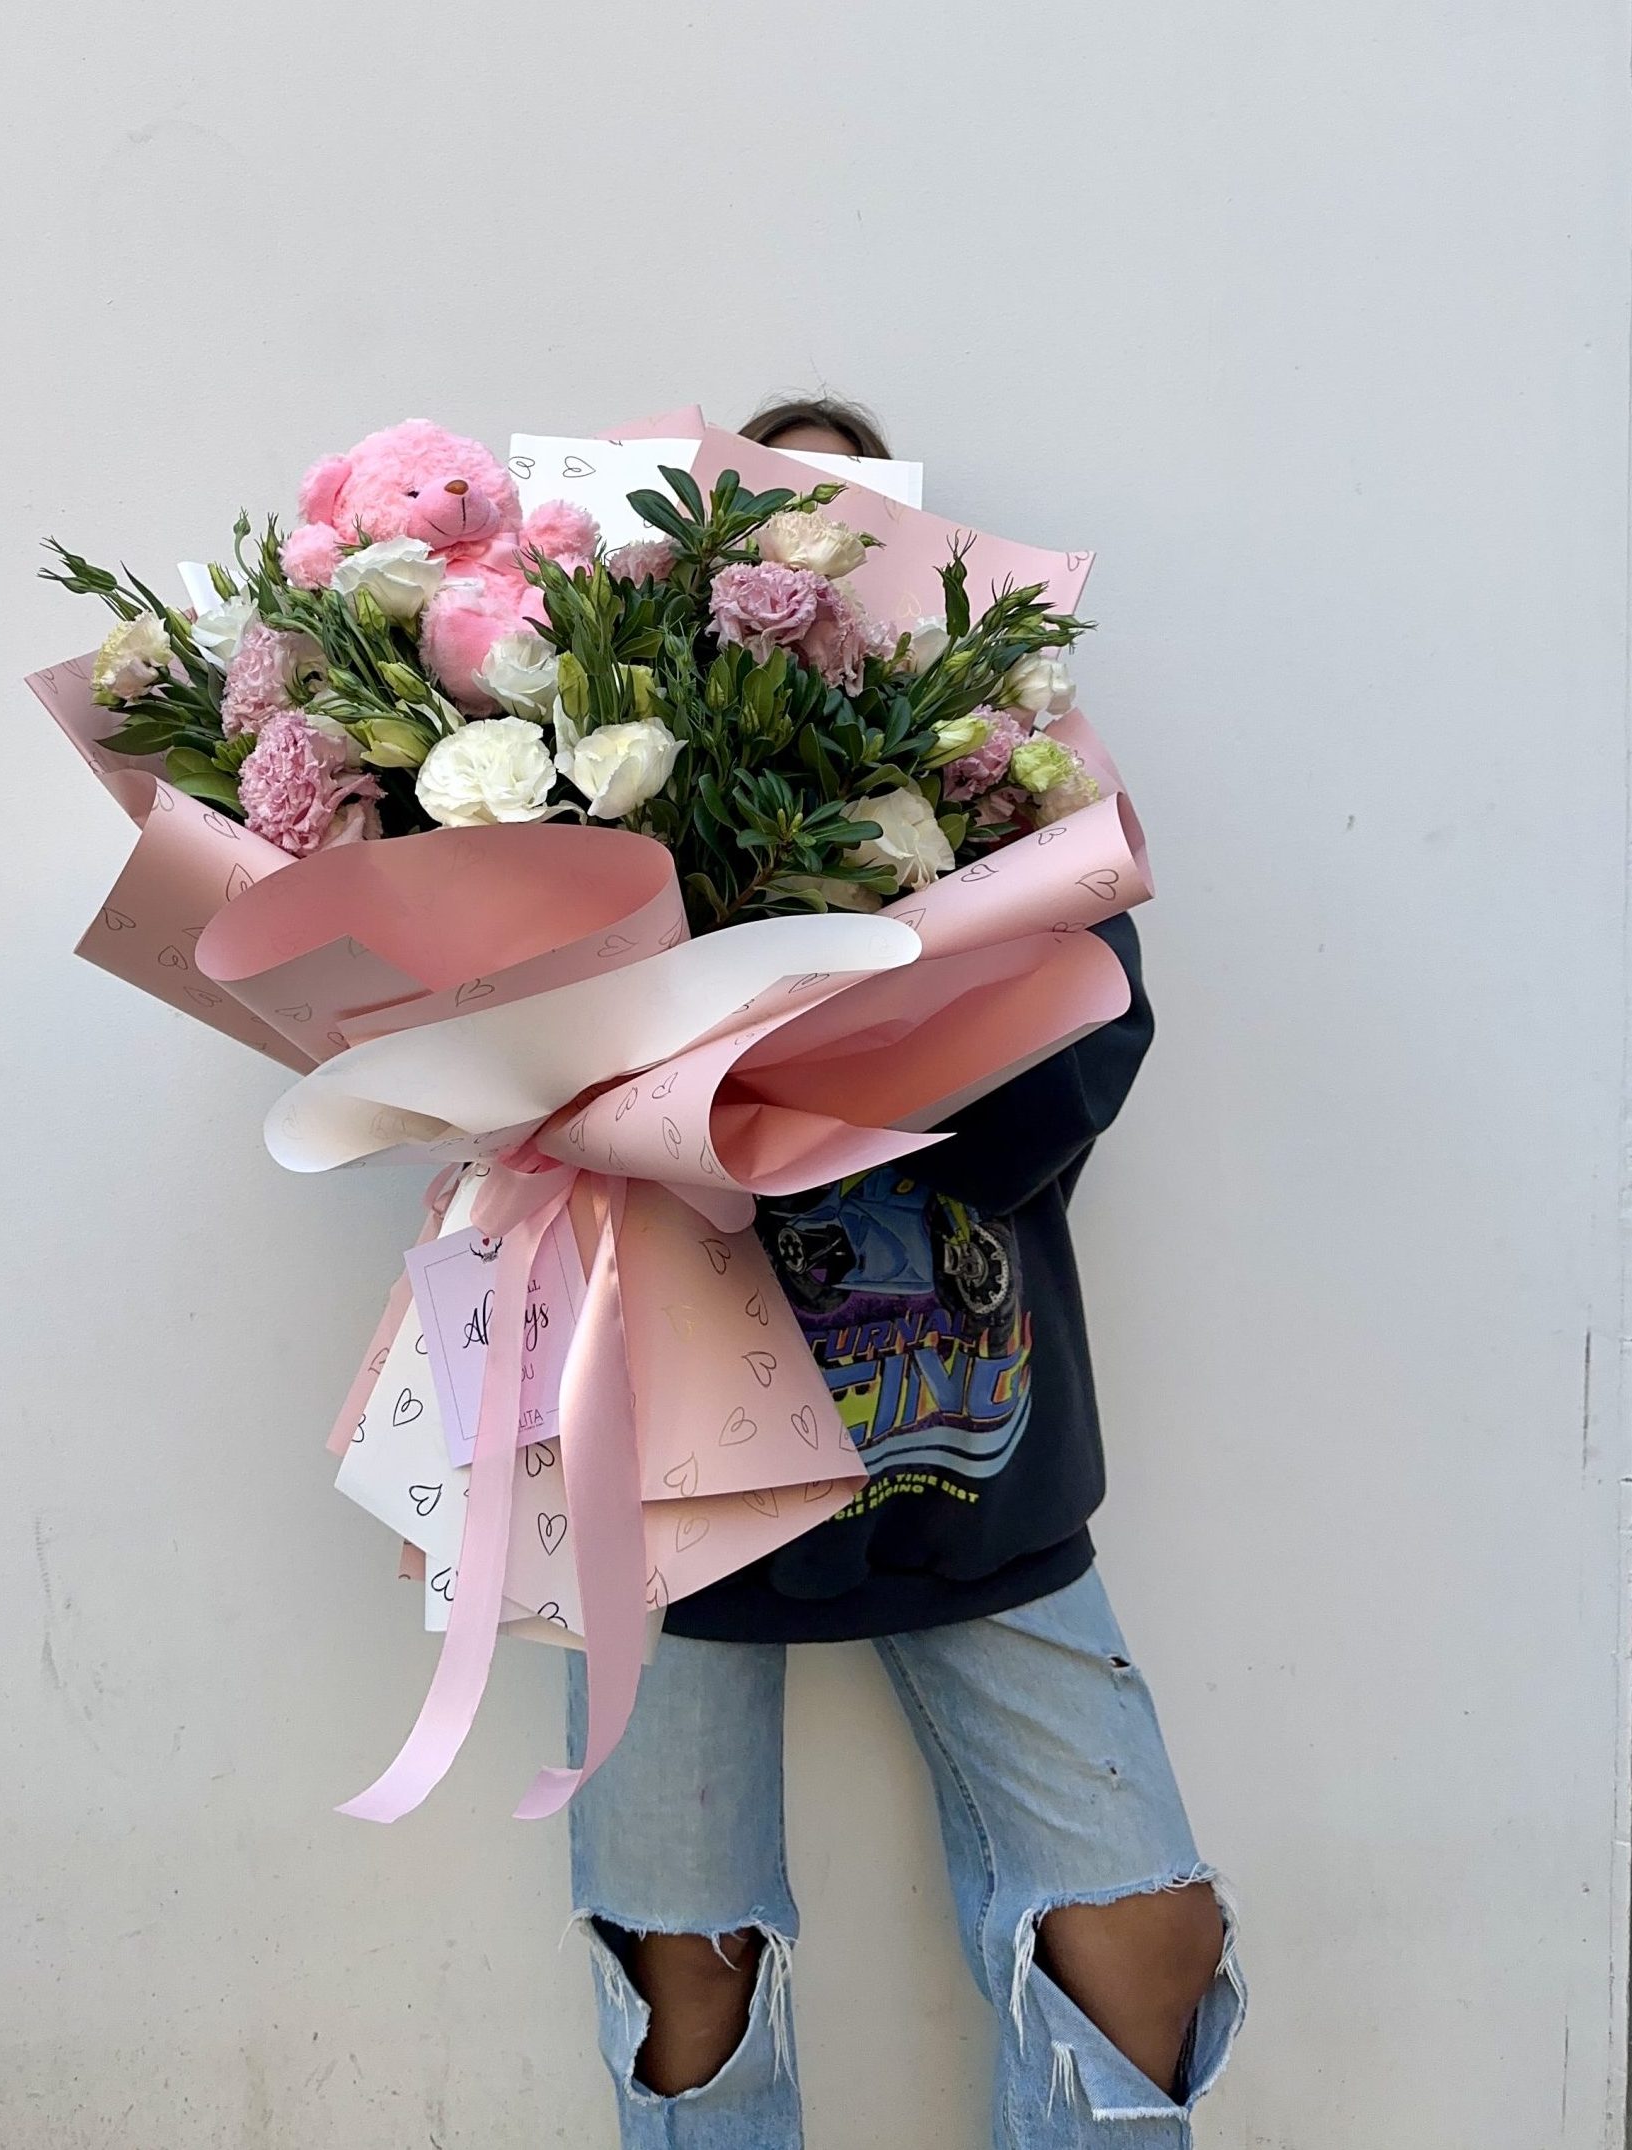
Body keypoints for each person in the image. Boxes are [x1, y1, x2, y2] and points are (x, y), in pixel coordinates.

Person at [563, 395, 1244, 2147]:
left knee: (1146, 1938)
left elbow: (1077, 1060)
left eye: (847, 520)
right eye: (760, 517)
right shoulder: (587, 776)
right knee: (688, 1976)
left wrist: (860, 1044)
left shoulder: (1010, 795)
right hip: (675, 1461)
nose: (805, 560)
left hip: (969, 1445)